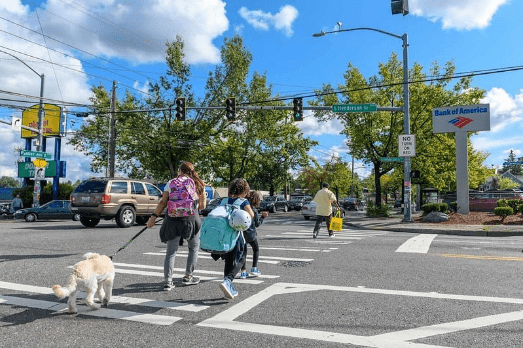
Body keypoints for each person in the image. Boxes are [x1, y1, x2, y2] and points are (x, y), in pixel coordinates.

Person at [147, 161, 206, 291]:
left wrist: (153, 217)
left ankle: (168, 282)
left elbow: (163, 202)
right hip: (191, 220)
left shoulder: (171, 182)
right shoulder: (198, 184)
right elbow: (202, 207)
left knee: (171, 252)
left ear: (180, 170)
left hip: (172, 219)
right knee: (193, 248)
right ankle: (188, 277)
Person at [211, 178, 254, 300]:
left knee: (229, 260)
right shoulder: (243, 201)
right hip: (236, 235)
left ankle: (227, 286)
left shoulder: (224, 200)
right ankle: (228, 281)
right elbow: (251, 215)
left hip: (223, 236)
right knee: (241, 258)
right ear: (245, 191)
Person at [239, 191, 268, 278]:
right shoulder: (254, 211)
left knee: (243, 252)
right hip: (251, 235)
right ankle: (254, 268)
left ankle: (243, 271)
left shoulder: (242, 209)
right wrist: (263, 217)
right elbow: (257, 224)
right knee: (256, 249)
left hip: (242, 234)